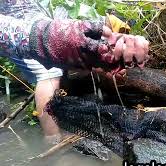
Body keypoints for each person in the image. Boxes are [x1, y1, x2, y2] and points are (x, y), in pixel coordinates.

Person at [0, 0, 149, 143]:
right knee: (50, 76)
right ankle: (52, 137)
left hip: (38, 23)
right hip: (22, 32)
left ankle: (59, 109)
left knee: (63, 64)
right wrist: (44, 36)